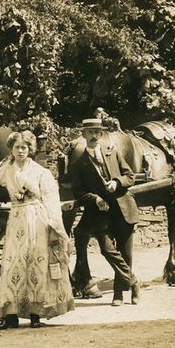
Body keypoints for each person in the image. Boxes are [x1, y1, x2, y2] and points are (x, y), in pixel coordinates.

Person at [0, 130, 75, 329]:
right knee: (13, 263)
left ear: (30, 150)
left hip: (37, 219)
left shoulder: (41, 172)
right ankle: (10, 315)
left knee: (35, 263)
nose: (21, 151)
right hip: (16, 219)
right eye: (17, 148)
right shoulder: (6, 170)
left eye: (24, 147)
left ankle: (35, 313)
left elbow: (51, 200)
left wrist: (54, 225)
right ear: (11, 150)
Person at [70, 118, 141, 306]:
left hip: (123, 209)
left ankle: (119, 294)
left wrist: (117, 182)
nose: (94, 136)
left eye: (97, 132)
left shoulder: (113, 153)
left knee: (126, 254)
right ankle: (133, 282)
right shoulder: (79, 163)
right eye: (90, 132)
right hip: (100, 215)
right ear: (83, 135)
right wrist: (95, 199)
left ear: (101, 135)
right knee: (107, 250)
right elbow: (78, 192)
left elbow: (130, 176)